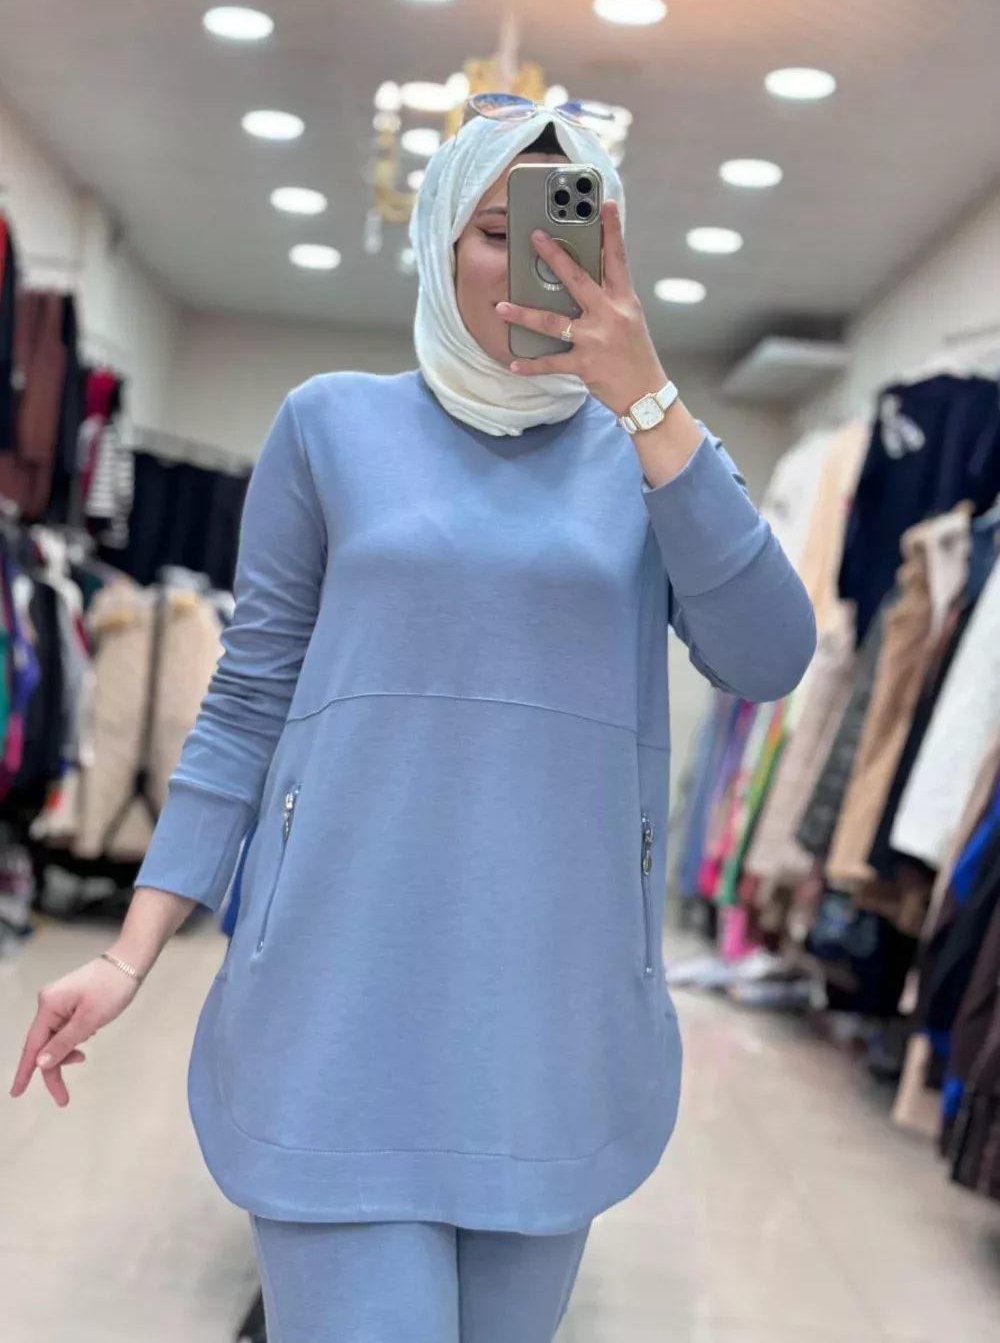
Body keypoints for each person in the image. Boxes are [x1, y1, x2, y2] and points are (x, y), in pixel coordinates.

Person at [11, 104, 815, 1343]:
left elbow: (767, 656)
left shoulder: (655, 457)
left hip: (551, 1015)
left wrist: (650, 402)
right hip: (339, 997)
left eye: (568, 231)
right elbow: (247, 699)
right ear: (438, 239)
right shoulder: (330, 424)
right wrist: (130, 951)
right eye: (498, 230)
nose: (534, 262)